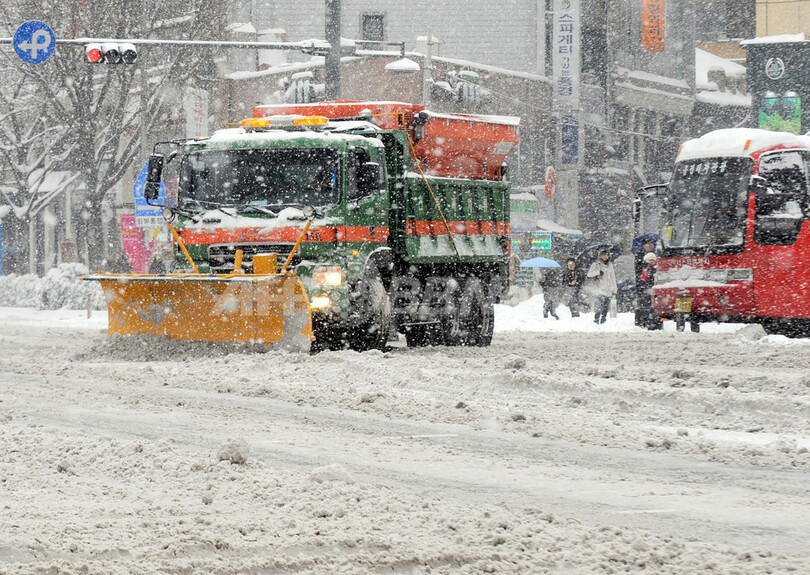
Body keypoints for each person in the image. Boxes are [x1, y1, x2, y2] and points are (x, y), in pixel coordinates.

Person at [587, 249, 618, 324]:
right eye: (603, 255)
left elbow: (612, 277)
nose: (604, 256)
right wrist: (598, 272)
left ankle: (603, 320)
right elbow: (589, 274)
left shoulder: (610, 264)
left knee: (606, 306)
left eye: (606, 255)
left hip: (608, 288)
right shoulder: (596, 264)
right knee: (599, 305)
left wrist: (614, 288)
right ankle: (596, 319)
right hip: (599, 288)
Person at [637, 251, 661, 330]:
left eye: (653, 260)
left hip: (656, 292)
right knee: (647, 308)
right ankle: (647, 322)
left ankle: (656, 324)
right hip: (647, 292)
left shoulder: (658, 270)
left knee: (656, 309)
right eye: (650, 260)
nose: (652, 262)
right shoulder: (645, 271)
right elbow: (643, 281)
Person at [634, 238, 655, 327]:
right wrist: (646, 266)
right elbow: (638, 270)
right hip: (642, 283)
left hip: (653, 284)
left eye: (651, 244)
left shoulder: (654, 254)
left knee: (652, 305)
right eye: (648, 244)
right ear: (644, 246)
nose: (650, 246)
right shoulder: (640, 255)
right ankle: (641, 322)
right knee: (643, 303)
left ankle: (653, 322)